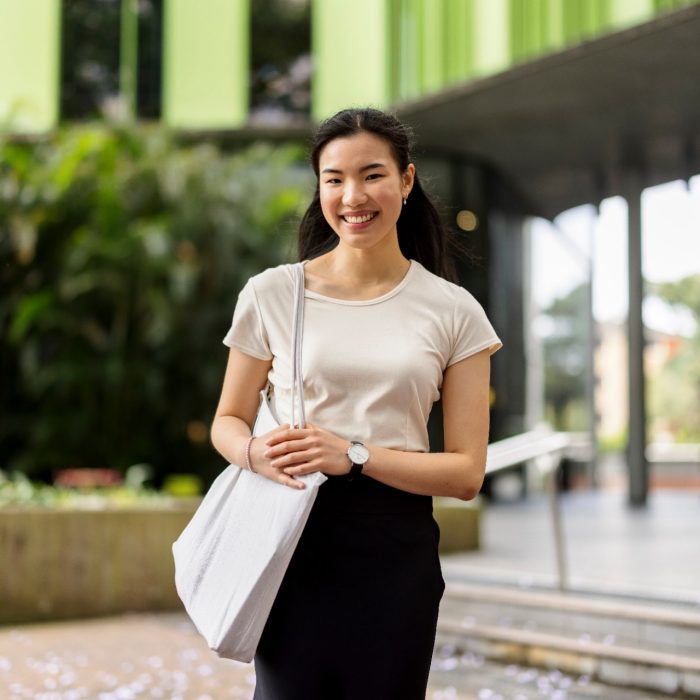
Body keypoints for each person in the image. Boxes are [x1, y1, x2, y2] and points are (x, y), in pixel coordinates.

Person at [210, 107, 502, 700]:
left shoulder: (454, 311)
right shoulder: (273, 293)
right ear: (319, 188)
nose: (353, 196)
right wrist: (253, 453)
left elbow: (466, 472)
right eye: (334, 179)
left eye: (372, 175)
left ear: (407, 180)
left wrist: (355, 454)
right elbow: (227, 420)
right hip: (289, 544)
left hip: (396, 557)